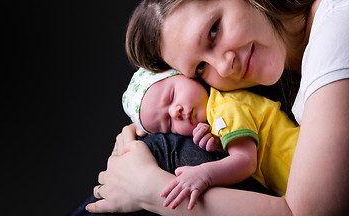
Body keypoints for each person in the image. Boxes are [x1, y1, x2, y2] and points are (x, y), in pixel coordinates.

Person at [86, 0, 349, 215]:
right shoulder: (282, 76)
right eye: (201, 68)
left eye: (214, 30)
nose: (224, 67)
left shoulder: (337, 28)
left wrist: (148, 188)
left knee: (164, 152)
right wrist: (139, 134)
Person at [121, 67, 299, 210]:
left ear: (186, 75)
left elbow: (246, 162)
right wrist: (220, 145)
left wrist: (203, 175)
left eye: (172, 96)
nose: (176, 112)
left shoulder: (224, 107)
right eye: (168, 122)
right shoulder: (215, 116)